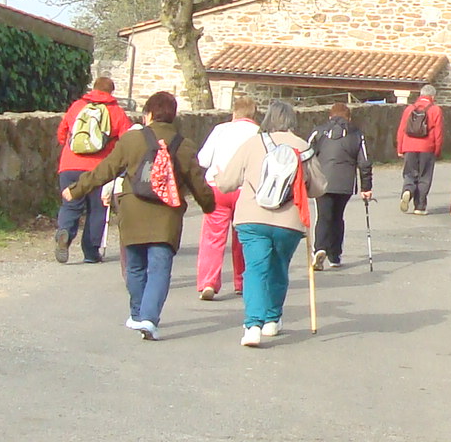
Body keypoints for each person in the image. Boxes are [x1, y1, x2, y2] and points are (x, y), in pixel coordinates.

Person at [61, 91, 218, 340]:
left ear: (148, 115)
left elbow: (106, 170)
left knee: (135, 266)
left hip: (133, 212)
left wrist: (76, 189)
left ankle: (136, 314)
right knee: (159, 268)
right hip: (167, 216)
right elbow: (199, 184)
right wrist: (210, 207)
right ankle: (148, 318)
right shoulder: (184, 145)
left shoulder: (132, 140)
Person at [212, 98, 326, 348]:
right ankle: (272, 320)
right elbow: (318, 188)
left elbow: (226, 183)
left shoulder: (253, 144)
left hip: (252, 218)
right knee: (278, 268)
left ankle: (253, 324)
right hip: (290, 221)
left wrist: (219, 174)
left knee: (255, 269)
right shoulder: (303, 147)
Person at [52, 76, 134, 264]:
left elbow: (61, 133)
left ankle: (64, 231)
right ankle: (90, 252)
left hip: (69, 165)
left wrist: (72, 150)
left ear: (93, 88)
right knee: (97, 209)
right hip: (99, 170)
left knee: (70, 204)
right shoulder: (116, 111)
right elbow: (127, 141)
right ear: (111, 92)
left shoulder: (77, 106)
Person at [193, 96, 260, 300]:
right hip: (245, 190)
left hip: (218, 187)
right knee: (243, 237)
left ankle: (208, 282)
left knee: (213, 237)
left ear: (234, 113)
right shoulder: (259, 133)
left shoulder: (220, 130)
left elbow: (203, 160)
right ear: (254, 114)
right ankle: (242, 281)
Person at [308, 102, 372, 270]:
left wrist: (306, 181)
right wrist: (366, 187)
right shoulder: (356, 134)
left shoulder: (319, 131)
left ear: (330, 116)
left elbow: (307, 155)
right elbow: (364, 162)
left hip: (323, 180)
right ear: (348, 118)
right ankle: (335, 255)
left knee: (323, 216)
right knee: (337, 217)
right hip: (345, 183)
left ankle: (319, 249)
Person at [396, 83, 446, 215]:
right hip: (427, 147)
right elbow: (438, 133)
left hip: (409, 146)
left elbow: (401, 129)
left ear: (420, 95)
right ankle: (420, 206)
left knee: (409, 173)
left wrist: (400, 148)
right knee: (424, 176)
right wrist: (437, 150)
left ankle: (408, 190)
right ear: (432, 96)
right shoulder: (435, 110)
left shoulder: (409, 109)